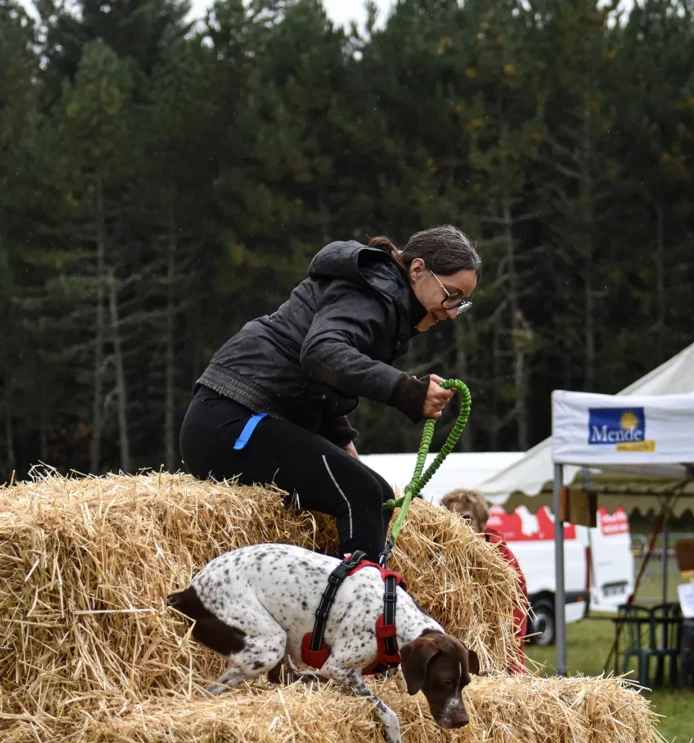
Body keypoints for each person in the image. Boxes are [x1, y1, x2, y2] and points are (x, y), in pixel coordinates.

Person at [180, 226, 481, 561]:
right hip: (231, 420)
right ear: (418, 269)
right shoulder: (373, 291)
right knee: (362, 494)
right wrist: (407, 391)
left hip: (239, 419)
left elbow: (319, 381)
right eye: (450, 294)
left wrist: (339, 438)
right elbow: (322, 353)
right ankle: (361, 605)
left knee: (376, 495)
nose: (452, 312)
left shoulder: (381, 295)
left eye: (461, 303)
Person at [441, 488, 529, 671]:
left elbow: (516, 613)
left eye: (466, 519)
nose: (460, 526)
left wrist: (507, 661)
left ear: (481, 522)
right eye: (452, 519)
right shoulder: (439, 559)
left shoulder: (502, 557)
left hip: (495, 661)